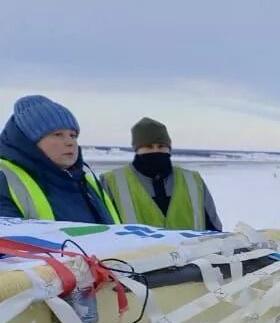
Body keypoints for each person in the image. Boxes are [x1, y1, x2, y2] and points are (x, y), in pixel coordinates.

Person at [0, 95, 121, 223]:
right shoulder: (5, 180)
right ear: (30, 141)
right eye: (58, 135)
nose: (70, 142)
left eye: (73, 135)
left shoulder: (86, 182)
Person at [101, 118, 222, 230]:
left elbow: (214, 229)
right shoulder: (110, 182)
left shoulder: (194, 181)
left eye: (161, 146)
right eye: (148, 146)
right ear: (136, 149)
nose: (156, 151)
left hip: (195, 253)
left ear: (169, 148)